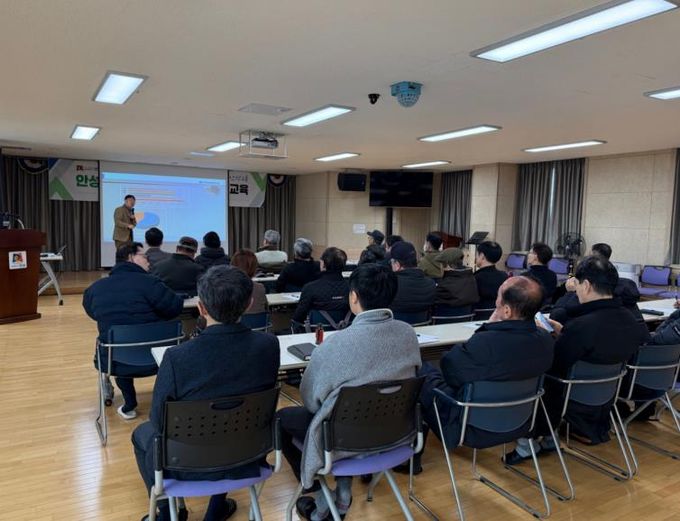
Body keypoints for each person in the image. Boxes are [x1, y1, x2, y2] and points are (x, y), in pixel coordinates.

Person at [131, 266, 280, 521]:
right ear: (249, 304)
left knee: (142, 434)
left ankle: (167, 512)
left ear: (201, 308)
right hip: (249, 455)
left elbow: (158, 421)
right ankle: (215, 510)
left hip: (186, 463)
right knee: (230, 426)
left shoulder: (177, 357)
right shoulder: (269, 345)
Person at [277, 263, 421, 521]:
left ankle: (316, 488)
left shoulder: (336, 344)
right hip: (394, 431)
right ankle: (339, 493)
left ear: (353, 297)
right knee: (347, 414)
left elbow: (311, 400)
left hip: (342, 438)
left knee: (284, 420)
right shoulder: (408, 334)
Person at [506, 256, 649, 463]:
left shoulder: (583, 326)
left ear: (587, 285)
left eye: (578, 284)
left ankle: (526, 445)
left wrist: (547, 338)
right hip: (606, 394)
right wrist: (564, 333)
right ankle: (549, 438)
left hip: (572, 395)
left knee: (531, 378)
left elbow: (555, 365)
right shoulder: (629, 318)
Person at [414, 277, 553, 471]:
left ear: (507, 311)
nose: (495, 302)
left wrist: (487, 327)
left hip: (470, 428)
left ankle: (412, 457)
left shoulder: (485, 344)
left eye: (498, 298)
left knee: (423, 371)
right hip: (521, 422)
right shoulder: (546, 341)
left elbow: (449, 370)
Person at [83, 242, 183, 420]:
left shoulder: (95, 289)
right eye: (144, 256)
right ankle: (166, 401)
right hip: (158, 358)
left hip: (115, 361)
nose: (148, 261)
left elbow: (93, 313)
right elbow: (174, 308)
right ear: (131, 257)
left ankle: (129, 403)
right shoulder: (151, 283)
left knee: (119, 343)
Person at [551, 242, 642, 323]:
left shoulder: (589, 292)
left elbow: (557, 316)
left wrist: (570, 292)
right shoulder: (624, 287)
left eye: (588, 256)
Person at [292, 247, 351, 328]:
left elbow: (298, 318)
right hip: (346, 331)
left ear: (323, 264)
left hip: (316, 333)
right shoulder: (352, 288)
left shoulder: (310, 288)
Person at [389, 241, 436, 315]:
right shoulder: (431, 284)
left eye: (391, 262)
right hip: (423, 322)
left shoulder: (389, 286)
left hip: (395, 322)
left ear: (397, 264)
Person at [473, 241, 508, 311]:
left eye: (476, 254)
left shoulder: (475, 278)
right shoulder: (504, 276)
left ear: (482, 256)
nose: (475, 257)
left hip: (479, 315)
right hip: (499, 314)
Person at [231, 248, 267, 314]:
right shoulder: (260, 288)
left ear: (233, 266)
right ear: (254, 267)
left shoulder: (226, 289)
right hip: (257, 321)